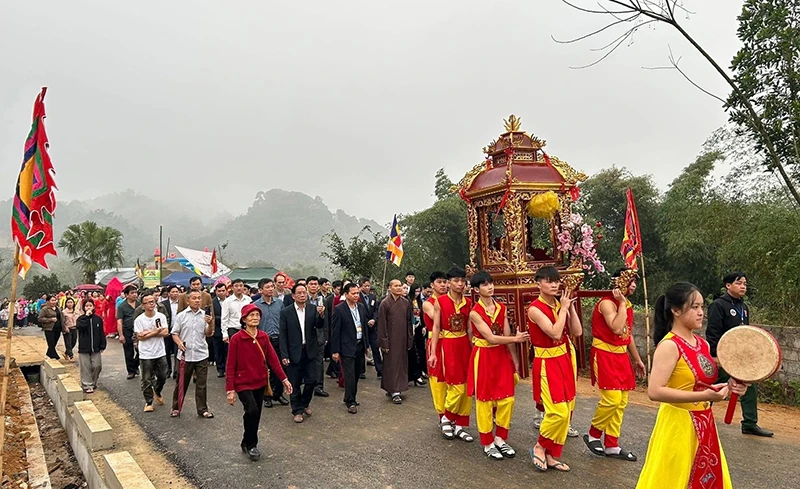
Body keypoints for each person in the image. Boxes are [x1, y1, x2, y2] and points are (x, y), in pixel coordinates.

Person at [636, 283, 747, 488]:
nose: (701, 313)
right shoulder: (669, 346)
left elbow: (703, 384)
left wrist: (732, 386)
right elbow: (655, 391)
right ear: (675, 310)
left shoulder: (701, 344)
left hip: (704, 423)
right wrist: (704, 396)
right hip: (677, 424)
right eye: (694, 307)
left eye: (702, 307)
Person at [584, 269, 646, 461]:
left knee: (621, 402)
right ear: (619, 282)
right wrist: (620, 303)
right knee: (612, 399)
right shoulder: (607, 303)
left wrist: (637, 359)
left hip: (620, 356)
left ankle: (612, 444)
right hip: (604, 354)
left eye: (635, 281)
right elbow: (617, 327)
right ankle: (594, 433)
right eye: (630, 281)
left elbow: (626, 334)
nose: (633, 285)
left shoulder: (624, 304)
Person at [526, 266, 582, 473]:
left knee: (566, 411)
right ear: (538, 283)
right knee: (557, 412)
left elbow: (577, 331)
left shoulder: (561, 304)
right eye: (549, 281)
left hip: (565, 359)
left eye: (556, 281)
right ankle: (540, 446)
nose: (554, 285)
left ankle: (551, 454)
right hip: (547, 363)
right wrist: (564, 309)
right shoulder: (534, 309)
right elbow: (555, 334)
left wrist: (571, 308)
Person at [468, 271, 528, 459]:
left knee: (507, 399)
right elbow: (491, 337)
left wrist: (515, 360)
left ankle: (501, 438)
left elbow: (506, 335)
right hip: (484, 356)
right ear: (477, 290)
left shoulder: (501, 308)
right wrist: (516, 338)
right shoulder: (474, 313)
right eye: (485, 285)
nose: (490, 287)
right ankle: (487, 442)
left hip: (501, 356)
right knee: (485, 401)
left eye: (491, 283)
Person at [705, 272, 773, 438]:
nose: (743, 286)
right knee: (713, 386)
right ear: (728, 285)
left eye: (745, 284)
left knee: (748, 386)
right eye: (739, 283)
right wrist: (715, 355)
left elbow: (746, 333)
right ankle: (700, 415)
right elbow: (712, 332)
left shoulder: (743, 307)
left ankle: (749, 423)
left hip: (740, 357)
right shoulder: (718, 305)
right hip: (722, 356)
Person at [227, 304, 292, 461]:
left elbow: (273, 360)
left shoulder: (263, 336)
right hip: (242, 383)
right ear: (244, 319)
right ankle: (252, 445)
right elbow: (230, 364)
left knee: (254, 414)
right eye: (251, 315)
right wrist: (230, 389)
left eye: (257, 315)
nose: (255, 318)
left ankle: (246, 440)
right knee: (253, 411)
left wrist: (284, 379)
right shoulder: (237, 338)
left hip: (260, 382)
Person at [428, 267, 474, 442]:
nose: (460, 284)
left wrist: (473, 349)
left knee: (467, 385)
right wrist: (433, 353)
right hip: (448, 344)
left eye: (462, 281)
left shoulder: (468, 303)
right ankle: (447, 417)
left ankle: (460, 424)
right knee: (456, 385)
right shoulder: (441, 302)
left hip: (464, 344)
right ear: (449, 283)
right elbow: (436, 327)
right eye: (456, 281)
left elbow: (469, 329)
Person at [279, 283, 324, 422]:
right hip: (293, 352)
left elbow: (318, 325)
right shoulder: (286, 312)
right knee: (295, 382)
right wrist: (284, 355)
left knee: (312, 381)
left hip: (310, 351)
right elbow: (283, 335)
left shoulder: (312, 309)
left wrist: (321, 315)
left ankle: (305, 403)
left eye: (304, 292)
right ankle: (297, 410)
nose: (302, 295)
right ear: (293, 296)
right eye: (299, 293)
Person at [170, 290, 214, 418]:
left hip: (201, 354)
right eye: (194, 298)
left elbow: (209, 333)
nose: (197, 300)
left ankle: (202, 409)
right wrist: (178, 343)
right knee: (181, 382)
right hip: (185, 355)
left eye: (199, 298)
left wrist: (210, 323)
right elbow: (174, 333)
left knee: (201, 384)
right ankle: (176, 407)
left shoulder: (205, 315)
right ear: (188, 300)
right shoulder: (181, 316)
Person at [330, 283, 370, 414]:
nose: (356, 296)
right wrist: (335, 351)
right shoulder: (339, 309)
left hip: (359, 345)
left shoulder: (362, 308)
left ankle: (350, 396)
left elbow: (364, 327)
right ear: (346, 294)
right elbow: (335, 332)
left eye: (357, 293)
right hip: (346, 347)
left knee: (357, 373)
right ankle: (350, 402)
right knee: (349, 376)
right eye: (353, 293)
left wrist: (366, 345)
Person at [253, 278, 289, 407]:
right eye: (267, 287)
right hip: (263, 340)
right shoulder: (255, 305)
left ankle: (278, 394)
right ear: (260, 290)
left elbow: (285, 322)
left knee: (280, 367)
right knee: (265, 369)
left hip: (279, 339)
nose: (270, 289)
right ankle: (266, 396)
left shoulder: (279, 303)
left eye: (271, 287)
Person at [377, 279, 413, 404]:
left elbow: (409, 322)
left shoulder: (406, 302)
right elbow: (381, 324)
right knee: (391, 365)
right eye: (396, 286)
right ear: (389, 288)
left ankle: (397, 388)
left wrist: (409, 338)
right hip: (390, 339)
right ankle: (394, 391)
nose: (398, 288)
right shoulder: (385, 303)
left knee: (402, 364)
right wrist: (384, 342)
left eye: (400, 286)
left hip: (402, 338)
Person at [134, 295, 169, 412]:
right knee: (146, 378)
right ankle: (148, 401)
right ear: (143, 305)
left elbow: (165, 332)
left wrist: (148, 333)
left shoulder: (161, 316)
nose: (151, 304)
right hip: (146, 353)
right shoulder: (139, 320)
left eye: (153, 302)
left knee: (163, 375)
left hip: (160, 351)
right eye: (148, 302)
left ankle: (157, 391)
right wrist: (155, 331)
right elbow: (140, 338)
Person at [422, 271, 449, 425]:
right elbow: (439, 319)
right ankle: (442, 416)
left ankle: (453, 415)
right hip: (436, 342)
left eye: (445, 282)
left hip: (452, 341)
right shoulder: (428, 303)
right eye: (440, 282)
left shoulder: (451, 301)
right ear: (432, 285)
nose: (443, 285)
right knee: (438, 379)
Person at [305, 276, 329, 398]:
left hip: (319, 335)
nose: (314, 286)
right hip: (306, 336)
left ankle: (318, 386)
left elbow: (326, 320)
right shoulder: (303, 299)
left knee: (319, 362)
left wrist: (326, 335)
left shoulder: (322, 300)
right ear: (307, 286)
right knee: (306, 361)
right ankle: (306, 384)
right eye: (311, 284)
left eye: (315, 284)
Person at [76, 299, 106, 393]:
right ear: (83, 308)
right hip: (84, 348)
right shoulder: (81, 319)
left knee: (97, 366)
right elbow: (80, 327)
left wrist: (102, 345)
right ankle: (87, 385)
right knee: (85, 367)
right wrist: (86, 316)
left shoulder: (98, 319)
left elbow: (101, 332)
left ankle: (93, 382)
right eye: (86, 306)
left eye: (90, 305)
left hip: (96, 347)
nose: (88, 307)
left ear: (93, 307)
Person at [358, 278, 382, 379]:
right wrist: (367, 320)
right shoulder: (357, 297)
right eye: (365, 286)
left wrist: (374, 319)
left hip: (373, 327)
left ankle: (380, 369)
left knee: (376, 348)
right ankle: (361, 371)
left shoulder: (372, 297)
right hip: (363, 326)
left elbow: (376, 310)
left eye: (368, 286)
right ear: (360, 286)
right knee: (362, 348)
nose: (367, 288)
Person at [116, 285, 140, 379]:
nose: (134, 295)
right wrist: (121, 335)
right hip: (127, 330)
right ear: (126, 295)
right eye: (132, 293)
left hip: (139, 330)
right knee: (128, 351)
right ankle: (131, 371)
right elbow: (119, 321)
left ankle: (134, 365)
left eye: (135, 292)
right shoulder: (122, 306)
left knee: (141, 350)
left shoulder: (140, 304)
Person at [221, 279, 252, 343]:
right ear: (232, 288)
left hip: (247, 329)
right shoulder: (227, 302)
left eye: (241, 286)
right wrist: (225, 334)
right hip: (233, 329)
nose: (239, 288)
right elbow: (224, 319)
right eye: (236, 286)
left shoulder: (248, 300)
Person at [162, 285, 181, 379]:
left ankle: (176, 371)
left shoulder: (182, 303)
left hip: (178, 331)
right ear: (169, 294)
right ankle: (167, 369)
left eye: (177, 291)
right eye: (173, 292)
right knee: (166, 351)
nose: (175, 293)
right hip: (167, 331)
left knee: (177, 351)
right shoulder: (163, 304)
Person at [211, 283, 229, 378]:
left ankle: (228, 368)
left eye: (223, 291)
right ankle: (220, 369)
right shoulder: (212, 302)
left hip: (228, 330)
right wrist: (223, 318)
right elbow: (211, 316)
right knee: (218, 351)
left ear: (226, 291)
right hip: (217, 330)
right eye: (219, 291)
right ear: (216, 292)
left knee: (228, 351)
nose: (221, 293)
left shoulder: (230, 301)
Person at [39, 295, 62, 360]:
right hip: (49, 328)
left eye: (55, 300)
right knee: (51, 343)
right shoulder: (45, 309)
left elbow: (61, 318)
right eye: (52, 300)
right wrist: (50, 319)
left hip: (58, 328)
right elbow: (40, 318)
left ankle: (49, 353)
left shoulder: (58, 308)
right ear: (48, 301)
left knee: (54, 342)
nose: (54, 302)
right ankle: (54, 356)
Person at [62, 297, 80, 362]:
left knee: (73, 342)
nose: (70, 304)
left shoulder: (76, 311)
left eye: (71, 302)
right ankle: (71, 356)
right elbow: (62, 321)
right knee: (68, 343)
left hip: (74, 328)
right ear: (66, 304)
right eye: (68, 302)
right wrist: (64, 328)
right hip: (67, 329)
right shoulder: (63, 312)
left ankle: (66, 353)